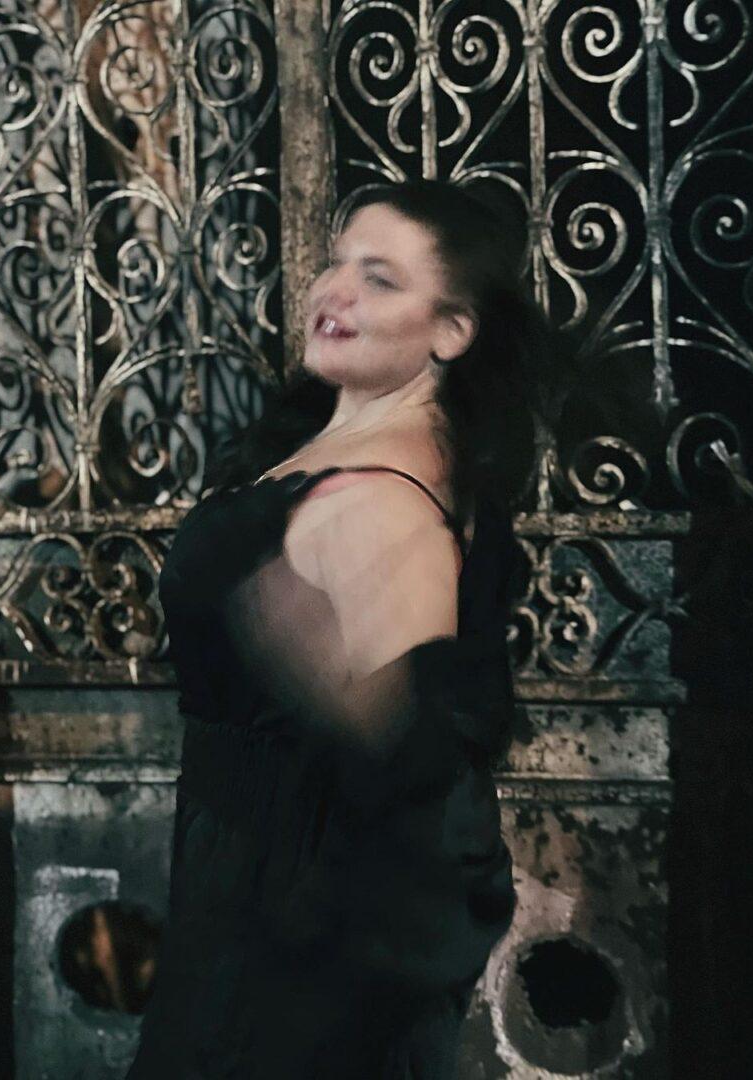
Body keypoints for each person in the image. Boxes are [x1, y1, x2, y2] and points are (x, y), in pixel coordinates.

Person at [125, 180, 562, 1079]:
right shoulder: (346, 447)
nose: (336, 290)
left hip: (306, 929)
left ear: (451, 332)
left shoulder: (382, 501)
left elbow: (418, 772)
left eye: (380, 278)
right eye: (337, 262)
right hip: (250, 882)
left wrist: (342, 687)